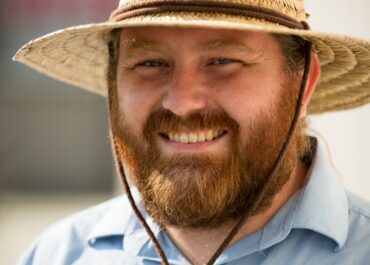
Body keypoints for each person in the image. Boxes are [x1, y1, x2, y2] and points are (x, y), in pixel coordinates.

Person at [13, 0, 370, 264]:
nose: (182, 102)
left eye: (223, 61)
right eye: (150, 64)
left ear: (303, 84)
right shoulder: (57, 254)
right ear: (113, 86)